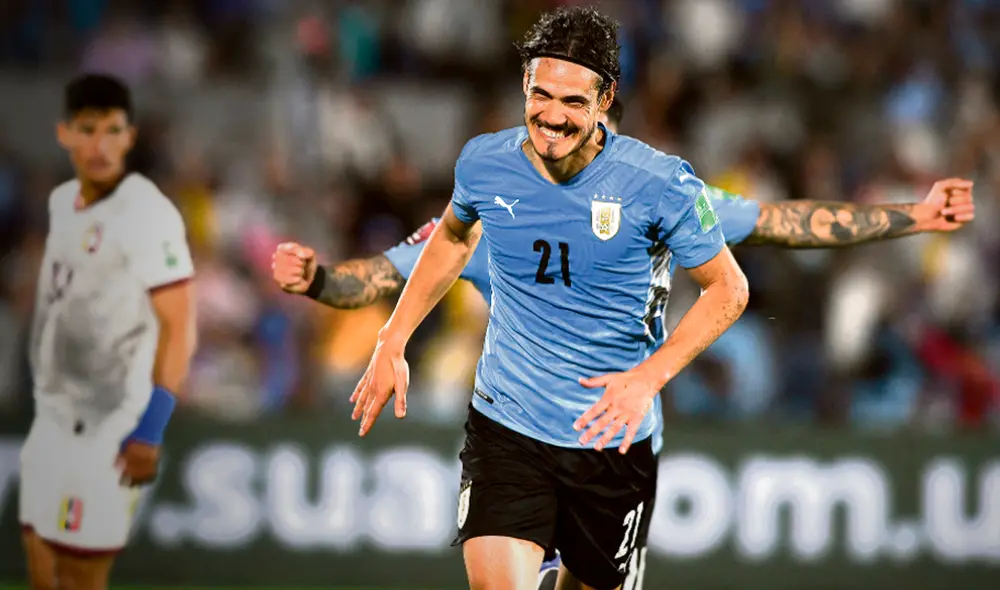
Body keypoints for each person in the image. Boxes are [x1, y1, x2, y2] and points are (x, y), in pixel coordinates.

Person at [273, 92, 975, 589]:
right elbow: (378, 278)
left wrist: (914, 215)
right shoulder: (486, 220)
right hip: (513, 433)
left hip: (615, 439)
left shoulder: (659, 199)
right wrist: (317, 280)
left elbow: (777, 221)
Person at [18, 74, 197, 590]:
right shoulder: (61, 206)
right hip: (51, 417)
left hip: (108, 428)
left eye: (113, 130)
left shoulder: (146, 213)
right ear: (64, 134)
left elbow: (180, 323)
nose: (100, 145)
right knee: (39, 569)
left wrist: (151, 427)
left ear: (130, 137)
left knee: (80, 576)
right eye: (87, 129)